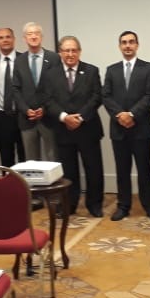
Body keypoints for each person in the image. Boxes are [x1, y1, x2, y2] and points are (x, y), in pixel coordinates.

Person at [102, 31, 150, 222]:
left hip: (141, 127)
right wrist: (120, 115)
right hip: (118, 128)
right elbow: (106, 96)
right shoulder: (112, 70)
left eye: (131, 42)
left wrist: (132, 114)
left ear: (137, 45)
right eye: (124, 42)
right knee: (122, 170)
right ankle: (123, 206)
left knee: (144, 169)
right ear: (119, 46)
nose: (127, 45)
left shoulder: (148, 68)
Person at [45, 36, 104, 217]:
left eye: (73, 50)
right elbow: (47, 100)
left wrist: (80, 117)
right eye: (66, 50)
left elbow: (96, 97)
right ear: (60, 53)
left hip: (88, 128)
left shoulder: (91, 71)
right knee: (68, 172)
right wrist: (65, 117)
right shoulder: (50, 74)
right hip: (64, 130)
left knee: (93, 169)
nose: (70, 54)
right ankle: (69, 205)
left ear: (79, 52)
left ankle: (94, 205)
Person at [13, 22, 60, 163]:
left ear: (41, 37)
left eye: (36, 33)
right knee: (31, 162)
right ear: (24, 38)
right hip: (27, 119)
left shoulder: (54, 58)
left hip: (49, 118)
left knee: (53, 159)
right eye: (30, 34)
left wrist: (45, 109)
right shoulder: (19, 61)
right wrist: (26, 110)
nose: (33, 36)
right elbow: (15, 89)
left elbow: (58, 88)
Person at [0, 27, 26, 167]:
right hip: (2, 117)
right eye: (1, 37)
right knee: (6, 157)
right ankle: (8, 182)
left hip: (23, 115)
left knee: (25, 157)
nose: (5, 40)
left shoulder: (24, 59)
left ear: (14, 39)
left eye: (8, 37)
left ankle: (24, 182)